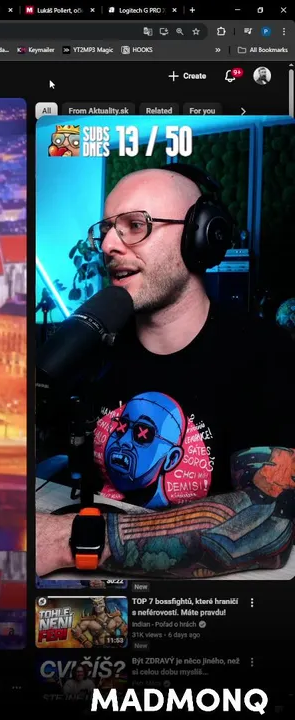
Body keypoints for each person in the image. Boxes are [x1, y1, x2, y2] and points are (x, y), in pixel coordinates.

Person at [37, 167, 295, 578]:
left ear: (200, 238)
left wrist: (68, 541)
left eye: (135, 225)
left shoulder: (266, 353)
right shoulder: (91, 346)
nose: (108, 245)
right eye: (105, 230)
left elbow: (268, 519)